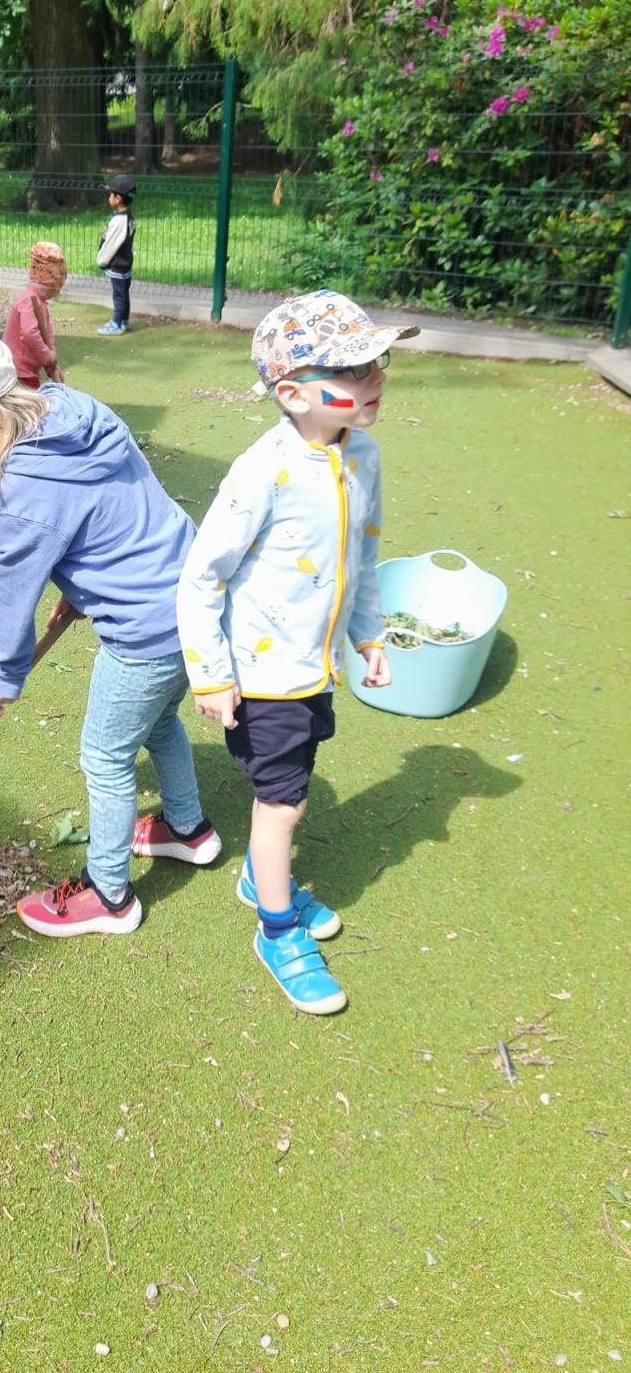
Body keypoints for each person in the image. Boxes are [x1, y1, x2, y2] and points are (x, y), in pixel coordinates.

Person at [0, 326, 221, 938]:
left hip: (144, 630)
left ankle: (108, 896)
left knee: (105, 757)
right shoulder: (72, 412)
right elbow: (110, 510)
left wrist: (2, 680)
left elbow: (13, 602)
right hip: (193, 602)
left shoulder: (18, 497)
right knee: (158, 721)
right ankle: (187, 830)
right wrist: (81, 586)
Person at [175, 291, 419, 1015]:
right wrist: (210, 676)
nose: (375, 378)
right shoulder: (263, 471)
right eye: (353, 371)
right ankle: (276, 930)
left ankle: (261, 879)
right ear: (291, 394)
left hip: (316, 668)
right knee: (281, 804)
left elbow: (363, 557)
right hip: (263, 675)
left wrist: (368, 635)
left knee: (294, 788)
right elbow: (201, 576)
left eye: (378, 362)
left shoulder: (363, 454)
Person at [3, 241, 66, 389]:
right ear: (51, 284)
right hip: (18, 371)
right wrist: (47, 357)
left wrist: (52, 366)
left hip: (27, 370)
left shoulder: (40, 301)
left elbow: (46, 338)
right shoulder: (29, 301)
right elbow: (29, 333)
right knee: (30, 401)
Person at [96, 175, 136, 337]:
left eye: (110, 194)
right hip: (125, 263)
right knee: (124, 293)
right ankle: (124, 320)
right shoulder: (128, 216)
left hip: (117, 264)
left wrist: (102, 261)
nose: (109, 198)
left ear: (118, 199)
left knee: (119, 295)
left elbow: (111, 244)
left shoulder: (118, 221)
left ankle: (117, 323)